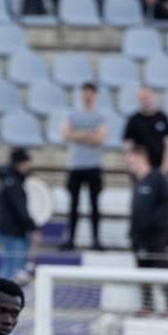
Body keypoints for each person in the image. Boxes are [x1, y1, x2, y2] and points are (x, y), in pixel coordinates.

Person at [127, 147, 168, 317]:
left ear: (142, 157)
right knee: (143, 270)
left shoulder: (157, 179)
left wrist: (156, 227)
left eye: (132, 159)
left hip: (158, 236)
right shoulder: (137, 181)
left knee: (163, 269)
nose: (130, 163)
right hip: (139, 237)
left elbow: (166, 205)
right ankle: (147, 305)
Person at [61, 82, 108, 250]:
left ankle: (96, 239)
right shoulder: (72, 113)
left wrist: (77, 135)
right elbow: (66, 134)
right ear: (81, 94)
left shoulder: (100, 115)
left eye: (90, 93)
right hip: (75, 165)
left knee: (94, 205)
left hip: (93, 165)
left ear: (94, 95)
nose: (87, 96)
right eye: (85, 92)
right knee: (73, 205)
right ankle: (70, 239)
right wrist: (88, 134)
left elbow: (100, 138)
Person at [0, 147, 38, 281]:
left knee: (10, 267)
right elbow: (20, 209)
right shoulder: (13, 183)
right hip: (12, 231)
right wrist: (33, 228)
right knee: (12, 269)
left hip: (7, 230)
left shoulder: (7, 180)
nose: (29, 167)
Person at [123, 85, 168, 174]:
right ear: (138, 99)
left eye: (147, 97)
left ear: (152, 97)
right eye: (142, 98)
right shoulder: (133, 119)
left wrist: (166, 167)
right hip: (140, 169)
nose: (145, 100)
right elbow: (128, 145)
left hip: (159, 167)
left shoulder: (162, 118)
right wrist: (132, 164)